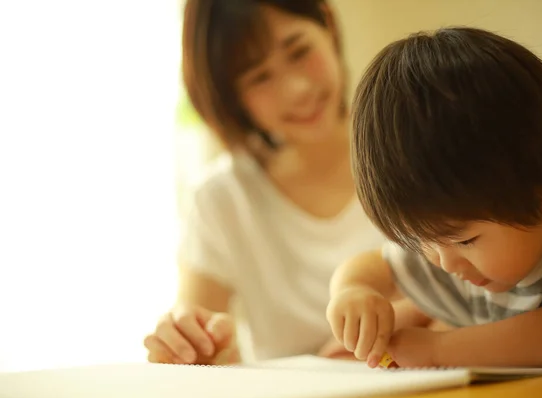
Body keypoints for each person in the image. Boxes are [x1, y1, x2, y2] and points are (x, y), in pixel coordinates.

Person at [327, 27, 542, 368]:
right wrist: (352, 292)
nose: (444, 263)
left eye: (467, 240)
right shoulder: (453, 245)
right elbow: (371, 267)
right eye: (422, 239)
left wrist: (438, 350)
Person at [142, 0, 391, 365]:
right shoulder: (223, 198)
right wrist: (191, 345)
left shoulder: (418, 147)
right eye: (259, 77)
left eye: (300, 51)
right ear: (234, 99)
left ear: (328, 28)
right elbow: (198, 352)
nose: (296, 88)